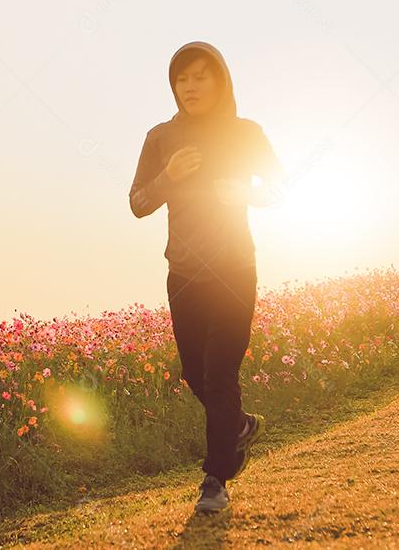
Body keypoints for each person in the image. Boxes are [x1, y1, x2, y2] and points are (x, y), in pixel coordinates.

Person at [128, 41, 285, 513]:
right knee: (193, 373)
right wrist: (168, 177)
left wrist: (248, 192)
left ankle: (214, 480)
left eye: (201, 76)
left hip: (236, 269)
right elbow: (138, 204)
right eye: (182, 78)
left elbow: (280, 188)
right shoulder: (160, 138)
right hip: (184, 273)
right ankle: (237, 425)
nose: (190, 86)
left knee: (219, 375)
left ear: (221, 81)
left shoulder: (246, 133)